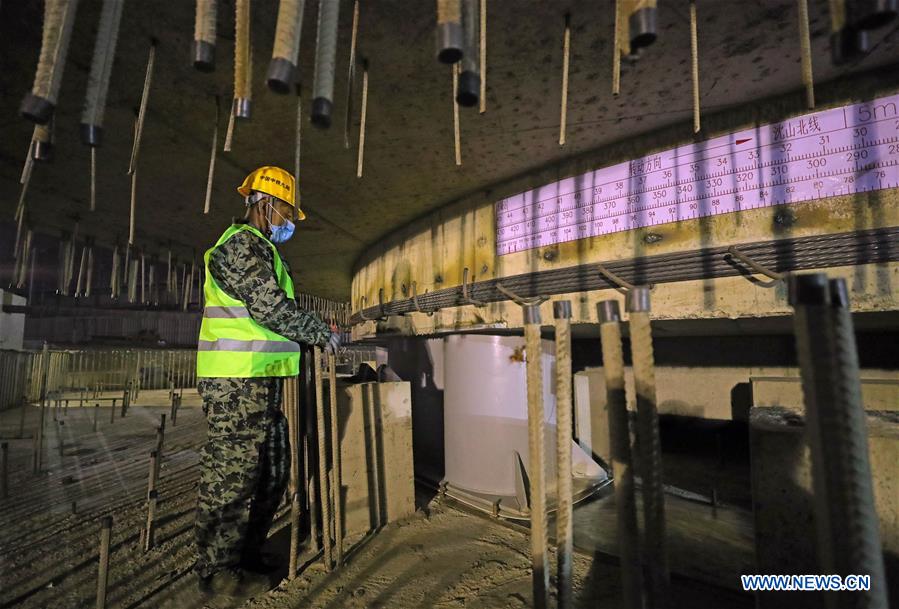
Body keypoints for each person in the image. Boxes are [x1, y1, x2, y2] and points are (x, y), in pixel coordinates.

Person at [193, 166, 339, 598]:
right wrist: (318, 332)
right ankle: (218, 570)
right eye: (287, 212)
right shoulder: (239, 247)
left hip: (263, 383)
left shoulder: (264, 250)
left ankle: (247, 551)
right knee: (231, 477)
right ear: (266, 204)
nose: (289, 221)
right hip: (235, 384)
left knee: (271, 472)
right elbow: (269, 309)